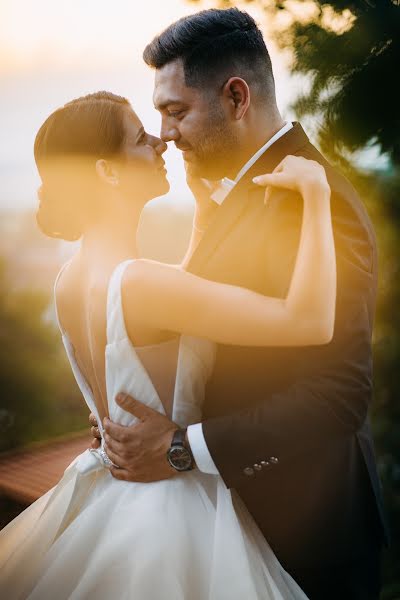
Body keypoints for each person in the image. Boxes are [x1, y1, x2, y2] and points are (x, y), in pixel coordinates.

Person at [90, 8, 389, 600]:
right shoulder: (241, 192)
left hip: (306, 537)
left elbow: (339, 395)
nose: (166, 133)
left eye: (176, 111)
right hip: (232, 531)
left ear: (235, 97)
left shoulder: (313, 201)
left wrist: (180, 449)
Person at [0, 90, 334, 598]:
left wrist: (201, 216)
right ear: (107, 173)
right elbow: (308, 321)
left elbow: (157, 326)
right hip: (172, 512)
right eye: (140, 139)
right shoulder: (141, 284)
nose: (161, 142)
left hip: (108, 493)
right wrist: (316, 197)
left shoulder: (71, 280)